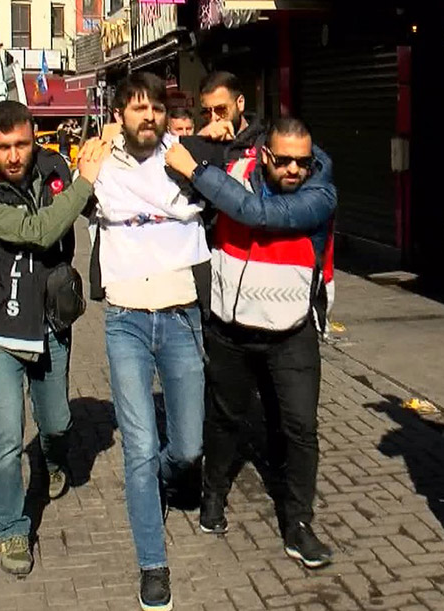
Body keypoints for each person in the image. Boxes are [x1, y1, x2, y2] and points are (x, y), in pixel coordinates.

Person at [164, 117, 337, 568]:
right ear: (264, 155)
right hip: (231, 329)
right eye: (285, 161)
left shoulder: (320, 195)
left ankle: (298, 524)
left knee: (300, 430)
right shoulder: (236, 172)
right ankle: (213, 496)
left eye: (305, 161)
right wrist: (202, 138)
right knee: (224, 419)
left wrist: (200, 169)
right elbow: (162, 148)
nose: (296, 170)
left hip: (291, 333)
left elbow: (257, 213)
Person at [0, 100, 104, 576]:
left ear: (33, 137)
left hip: (51, 322)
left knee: (57, 421)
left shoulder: (56, 169)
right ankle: (12, 529)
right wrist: (86, 181)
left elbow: (97, 199)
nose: (15, 155)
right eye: (3, 147)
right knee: (5, 434)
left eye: (22, 143)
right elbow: (39, 232)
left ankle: (52, 453)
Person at [87, 72, 209, 611]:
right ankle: (152, 564)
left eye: (156, 107)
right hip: (126, 321)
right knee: (138, 448)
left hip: (182, 317)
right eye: (137, 108)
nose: (149, 116)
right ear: (119, 115)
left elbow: (239, 175)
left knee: (187, 448)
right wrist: (77, 178)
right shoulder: (98, 162)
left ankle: (167, 476)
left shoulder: (185, 157)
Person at [195, 71, 265, 164]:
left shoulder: (263, 143)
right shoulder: (203, 139)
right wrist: (197, 141)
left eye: (221, 109)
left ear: (240, 103)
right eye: (207, 112)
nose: (214, 118)